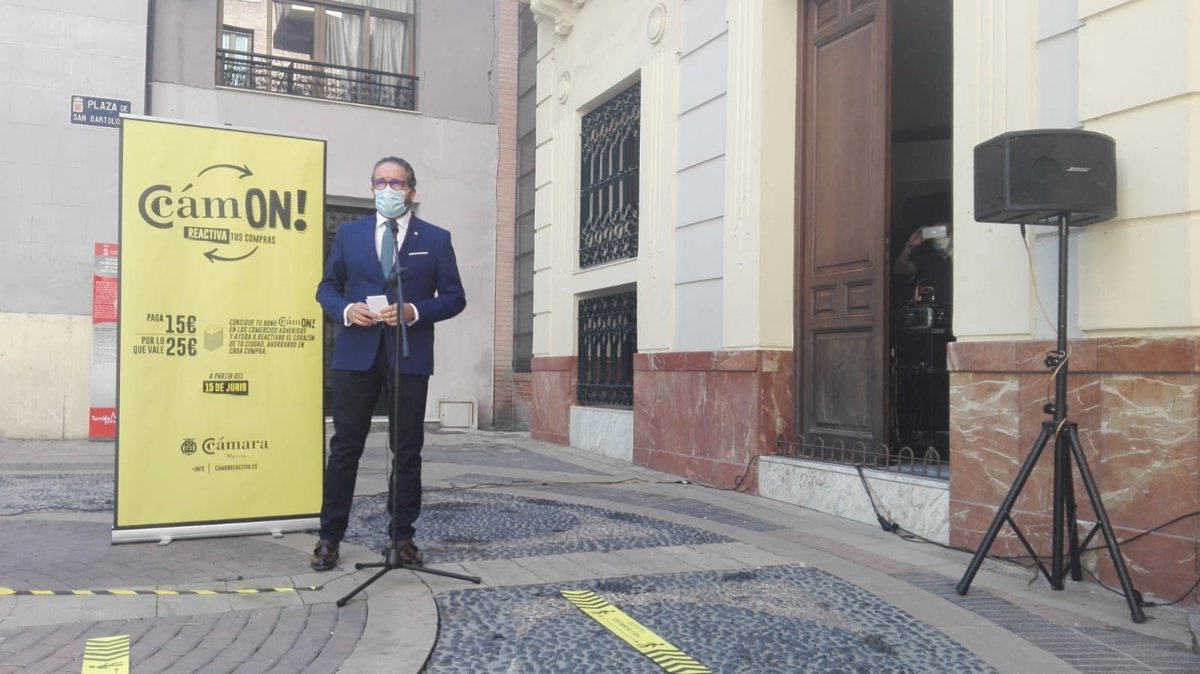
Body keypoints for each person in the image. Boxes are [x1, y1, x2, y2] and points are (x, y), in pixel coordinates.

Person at [311, 156, 466, 571]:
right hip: (355, 355)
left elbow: (455, 297)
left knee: (407, 450)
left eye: (396, 183)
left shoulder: (436, 238)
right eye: (381, 182)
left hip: (408, 355)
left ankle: (403, 537)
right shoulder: (349, 234)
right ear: (372, 188)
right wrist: (347, 310)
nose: (388, 189)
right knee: (345, 447)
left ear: (411, 191)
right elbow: (326, 289)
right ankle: (329, 537)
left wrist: (415, 310)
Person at [893, 220, 952, 307]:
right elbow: (900, 270)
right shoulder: (928, 260)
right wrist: (909, 246)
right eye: (936, 233)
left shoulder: (965, 257)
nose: (941, 237)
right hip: (939, 309)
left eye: (945, 232)